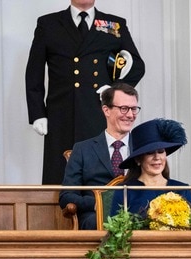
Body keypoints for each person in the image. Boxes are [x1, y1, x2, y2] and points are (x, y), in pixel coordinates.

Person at [25, 0, 145, 184]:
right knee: (59, 175)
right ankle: (60, 212)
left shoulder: (114, 24)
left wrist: (114, 90)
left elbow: (137, 66)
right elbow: (34, 72)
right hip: (61, 113)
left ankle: (102, 210)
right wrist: (37, 113)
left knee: (99, 170)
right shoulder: (48, 24)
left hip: (98, 111)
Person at [59, 83, 139, 229]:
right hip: (96, 218)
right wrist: (97, 203)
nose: (130, 115)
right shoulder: (83, 149)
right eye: (124, 108)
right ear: (106, 110)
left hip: (137, 214)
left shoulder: (143, 148)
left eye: (134, 109)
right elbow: (66, 196)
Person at [110, 118, 191, 218]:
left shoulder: (182, 189)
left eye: (160, 151)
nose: (157, 157)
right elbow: (115, 230)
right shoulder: (125, 191)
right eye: (149, 153)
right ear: (138, 159)